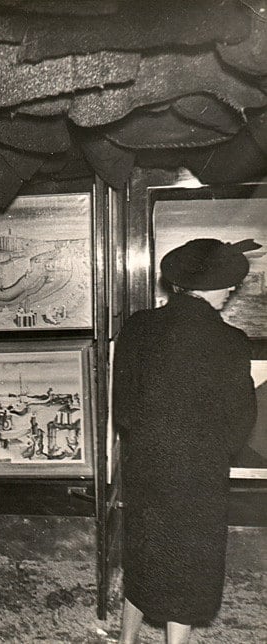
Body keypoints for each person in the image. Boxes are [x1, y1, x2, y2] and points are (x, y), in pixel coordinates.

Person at [113, 238, 259, 644]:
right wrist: (211, 452)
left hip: (146, 464)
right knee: (187, 566)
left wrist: (148, 442)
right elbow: (240, 421)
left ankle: (126, 640)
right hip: (199, 472)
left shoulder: (138, 327)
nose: (232, 290)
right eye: (228, 282)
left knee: (144, 553)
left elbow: (123, 408)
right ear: (208, 284)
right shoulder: (231, 341)